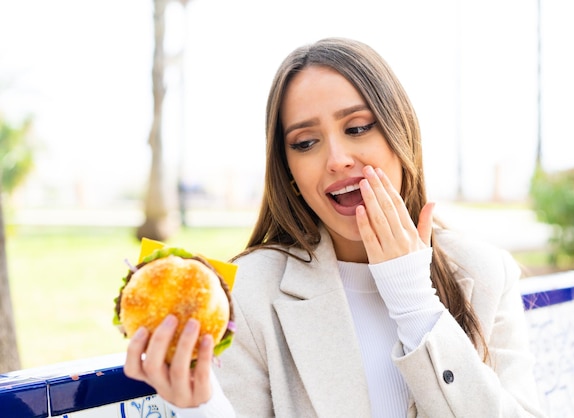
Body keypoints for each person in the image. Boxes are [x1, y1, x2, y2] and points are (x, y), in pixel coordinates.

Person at [124, 37, 547, 417]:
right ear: (288, 170)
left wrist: (414, 301)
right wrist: (202, 408)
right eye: (305, 142)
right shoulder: (246, 293)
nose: (337, 158)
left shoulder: (485, 271)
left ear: (402, 135)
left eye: (358, 127)